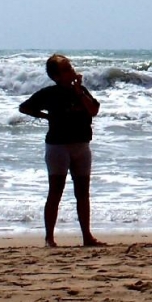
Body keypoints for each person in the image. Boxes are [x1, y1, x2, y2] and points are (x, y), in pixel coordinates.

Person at [19, 54, 105, 247]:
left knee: (83, 193)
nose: (71, 71)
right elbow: (24, 108)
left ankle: (87, 236)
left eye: (70, 67)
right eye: (66, 69)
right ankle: (49, 238)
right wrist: (46, 117)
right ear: (56, 76)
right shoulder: (50, 93)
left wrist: (79, 91)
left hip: (81, 145)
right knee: (56, 191)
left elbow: (93, 110)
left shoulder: (80, 91)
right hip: (58, 146)